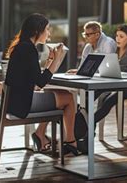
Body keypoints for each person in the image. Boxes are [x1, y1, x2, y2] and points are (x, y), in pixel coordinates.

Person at [5, 13, 79, 155]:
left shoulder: (23, 47)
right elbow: (40, 82)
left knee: (60, 95)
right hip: (23, 104)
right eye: (47, 29)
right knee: (69, 98)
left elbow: (36, 80)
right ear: (37, 31)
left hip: (15, 101)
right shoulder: (28, 49)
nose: (49, 33)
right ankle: (70, 142)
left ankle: (41, 133)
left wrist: (50, 61)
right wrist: (57, 59)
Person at [94, 24, 127, 123]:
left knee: (109, 101)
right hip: (116, 84)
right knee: (94, 94)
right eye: (117, 36)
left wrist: (117, 69)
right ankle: (86, 124)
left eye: (121, 36)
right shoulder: (115, 49)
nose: (117, 39)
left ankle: (87, 124)